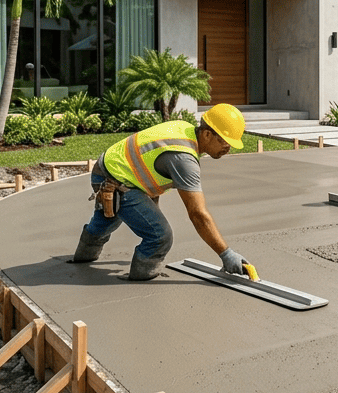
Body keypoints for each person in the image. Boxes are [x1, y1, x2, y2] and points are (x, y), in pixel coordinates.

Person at [70, 104, 252, 281]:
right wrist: (226, 254)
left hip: (110, 168)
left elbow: (150, 165)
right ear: (206, 134)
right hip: (115, 180)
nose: (228, 149)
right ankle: (142, 276)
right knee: (159, 236)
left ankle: (82, 257)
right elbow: (197, 213)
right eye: (226, 142)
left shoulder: (185, 129)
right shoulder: (184, 159)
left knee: (107, 219)